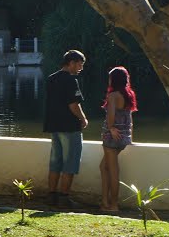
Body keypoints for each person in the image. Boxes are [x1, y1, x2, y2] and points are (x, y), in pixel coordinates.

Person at [42, 50, 87, 209]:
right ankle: (64, 198)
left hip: (54, 125)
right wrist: (83, 119)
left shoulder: (51, 79)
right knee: (70, 163)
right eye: (80, 64)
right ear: (72, 62)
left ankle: (51, 195)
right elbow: (74, 104)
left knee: (55, 162)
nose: (80, 68)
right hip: (69, 127)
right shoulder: (71, 80)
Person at [98, 66, 137, 212]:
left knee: (113, 170)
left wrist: (111, 127)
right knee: (104, 167)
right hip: (123, 136)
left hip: (112, 136)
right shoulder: (129, 94)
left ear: (113, 80)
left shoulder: (113, 95)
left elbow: (111, 115)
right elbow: (130, 118)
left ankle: (113, 205)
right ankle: (105, 202)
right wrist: (129, 136)